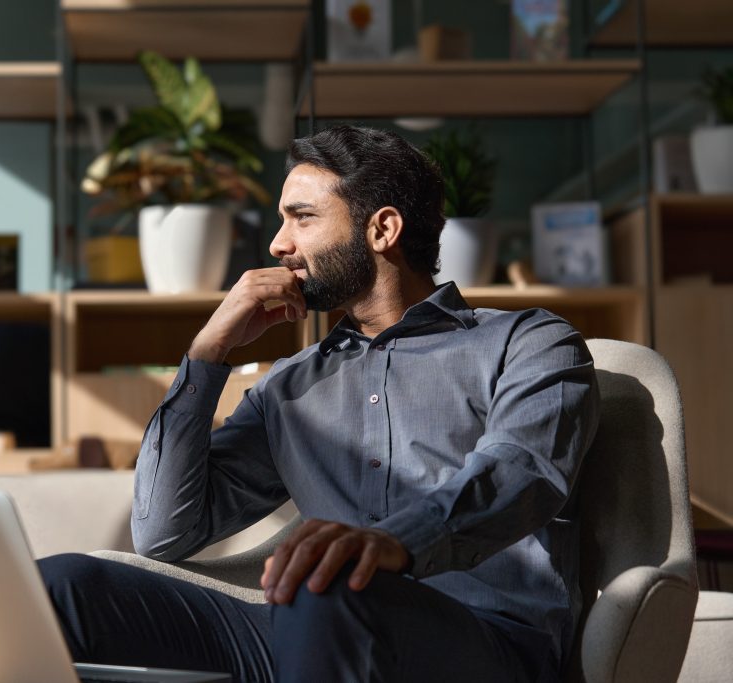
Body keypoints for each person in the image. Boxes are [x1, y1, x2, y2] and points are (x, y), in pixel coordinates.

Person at [39, 125, 600, 682]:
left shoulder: (528, 342)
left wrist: (390, 543)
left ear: (382, 229)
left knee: (329, 585)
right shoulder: (289, 387)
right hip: (310, 624)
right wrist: (209, 352)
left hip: (484, 642)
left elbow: (522, 474)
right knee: (62, 587)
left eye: (302, 218)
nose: (278, 245)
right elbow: (164, 532)